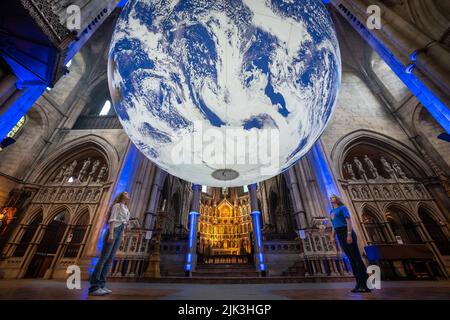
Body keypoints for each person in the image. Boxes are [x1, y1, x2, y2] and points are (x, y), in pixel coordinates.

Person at [89, 191, 131, 296]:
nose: (128, 195)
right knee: (103, 258)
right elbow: (112, 220)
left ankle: (102, 285)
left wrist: (123, 234)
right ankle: (94, 286)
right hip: (113, 231)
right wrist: (111, 234)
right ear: (122, 196)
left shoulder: (126, 208)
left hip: (120, 232)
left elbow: (124, 222)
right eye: (126, 194)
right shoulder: (117, 206)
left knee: (110, 260)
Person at [329, 195, 371, 293]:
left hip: (346, 232)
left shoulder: (342, 208)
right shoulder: (331, 212)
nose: (331, 198)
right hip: (339, 234)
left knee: (356, 258)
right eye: (330, 198)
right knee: (351, 260)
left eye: (333, 197)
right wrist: (332, 236)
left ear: (337, 199)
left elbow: (348, 221)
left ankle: (365, 284)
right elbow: (334, 225)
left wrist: (349, 234)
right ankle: (358, 284)